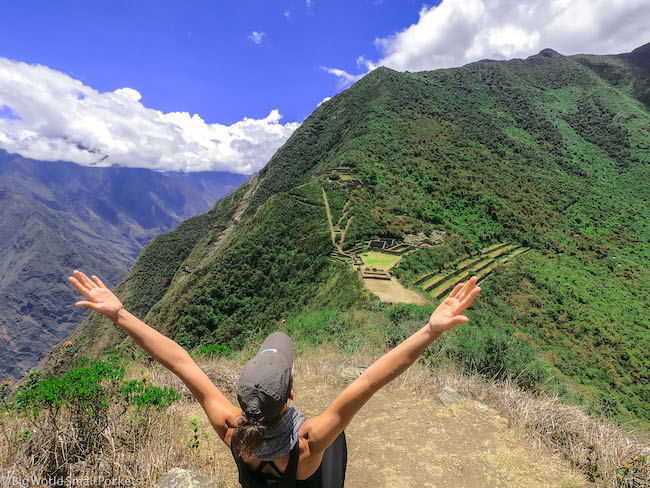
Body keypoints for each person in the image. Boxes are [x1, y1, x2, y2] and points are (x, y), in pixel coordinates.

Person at [68, 270, 481, 487]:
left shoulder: (232, 431)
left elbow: (182, 364)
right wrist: (431, 330)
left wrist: (120, 315)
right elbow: (370, 380)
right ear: (291, 393)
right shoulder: (308, 442)